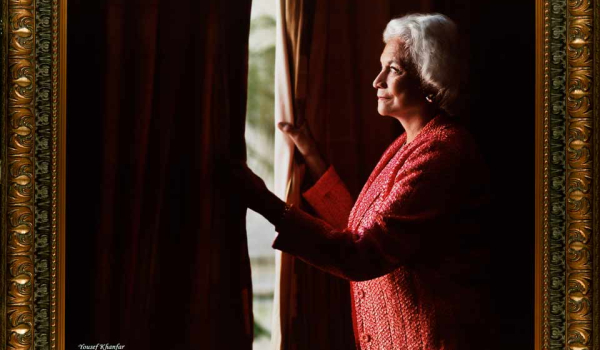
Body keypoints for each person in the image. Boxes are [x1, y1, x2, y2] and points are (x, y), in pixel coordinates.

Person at [232, 13, 495, 350]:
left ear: (430, 80)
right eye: (381, 66)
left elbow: (363, 254)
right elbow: (361, 227)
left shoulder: (442, 153)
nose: (377, 81)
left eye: (394, 70)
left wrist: (264, 202)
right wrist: (312, 156)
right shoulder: (409, 144)